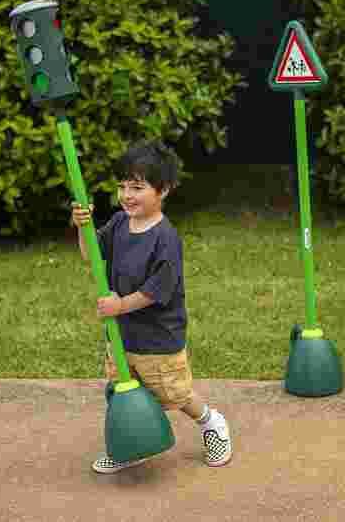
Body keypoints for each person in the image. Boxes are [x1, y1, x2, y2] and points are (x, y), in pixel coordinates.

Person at [71, 140, 232, 473]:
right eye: (122, 186)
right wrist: (82, 228)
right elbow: (91, 255)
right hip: (123, 336)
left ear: (164, 190)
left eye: (138, 187)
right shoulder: (117, 224)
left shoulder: (166, 238)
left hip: (159, 338)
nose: (127, 195)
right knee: (122, 390)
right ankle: (131, 444)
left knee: (175, 394)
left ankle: (212, 423)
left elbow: (155, 291)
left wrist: (119, 306)